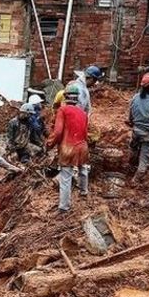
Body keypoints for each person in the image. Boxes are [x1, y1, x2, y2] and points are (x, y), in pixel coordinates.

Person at [46, 85, 90, 213]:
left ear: (65, 96)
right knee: (83, 169)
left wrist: (49, 143)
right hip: (82, 146)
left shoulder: (63, 110)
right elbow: (86, 133)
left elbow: (58, 131)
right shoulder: (83, 113)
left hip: (68, 147)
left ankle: (64, 207)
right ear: (77, 98)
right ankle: (84, 191)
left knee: (65, 178)